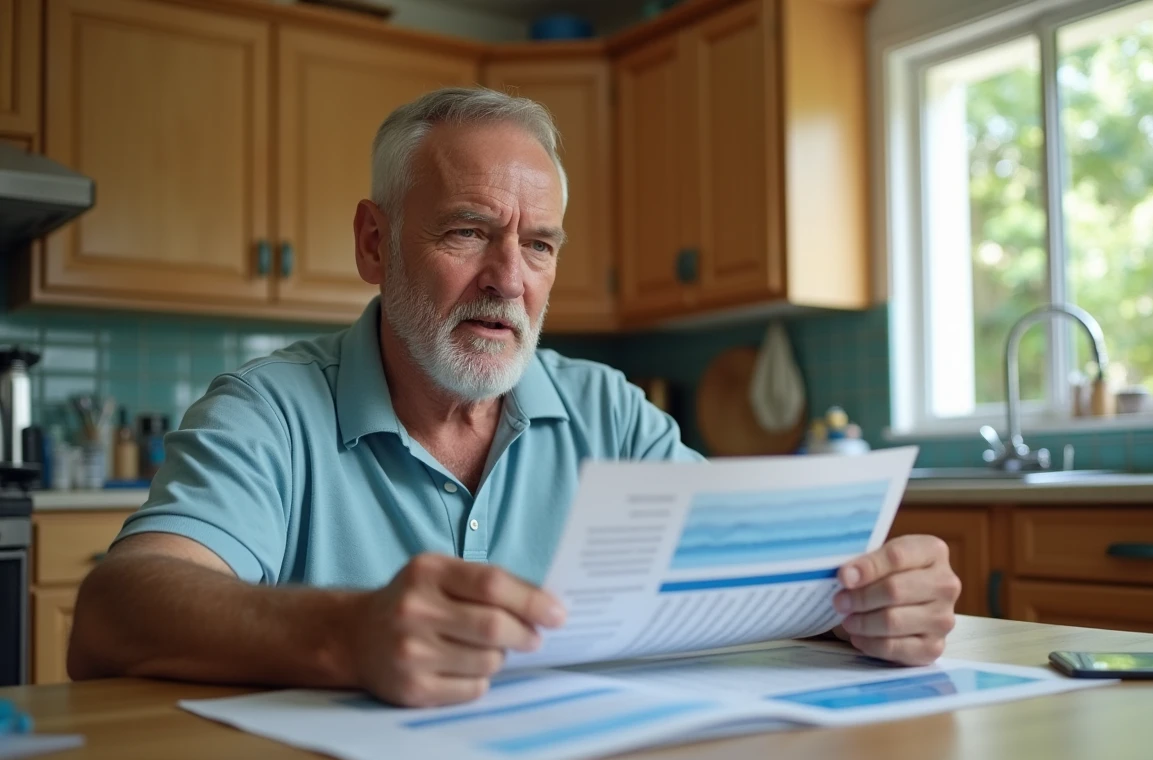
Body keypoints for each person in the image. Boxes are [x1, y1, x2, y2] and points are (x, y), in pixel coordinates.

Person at [68, 88, 959, 707]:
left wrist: (863, 605)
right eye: (469, 231)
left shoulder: (610, 413)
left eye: (539, 245)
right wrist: (348, 633)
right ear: (375, 244)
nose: (508, 279)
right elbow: (116, 612)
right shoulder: (267, 411)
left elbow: (747, 579)